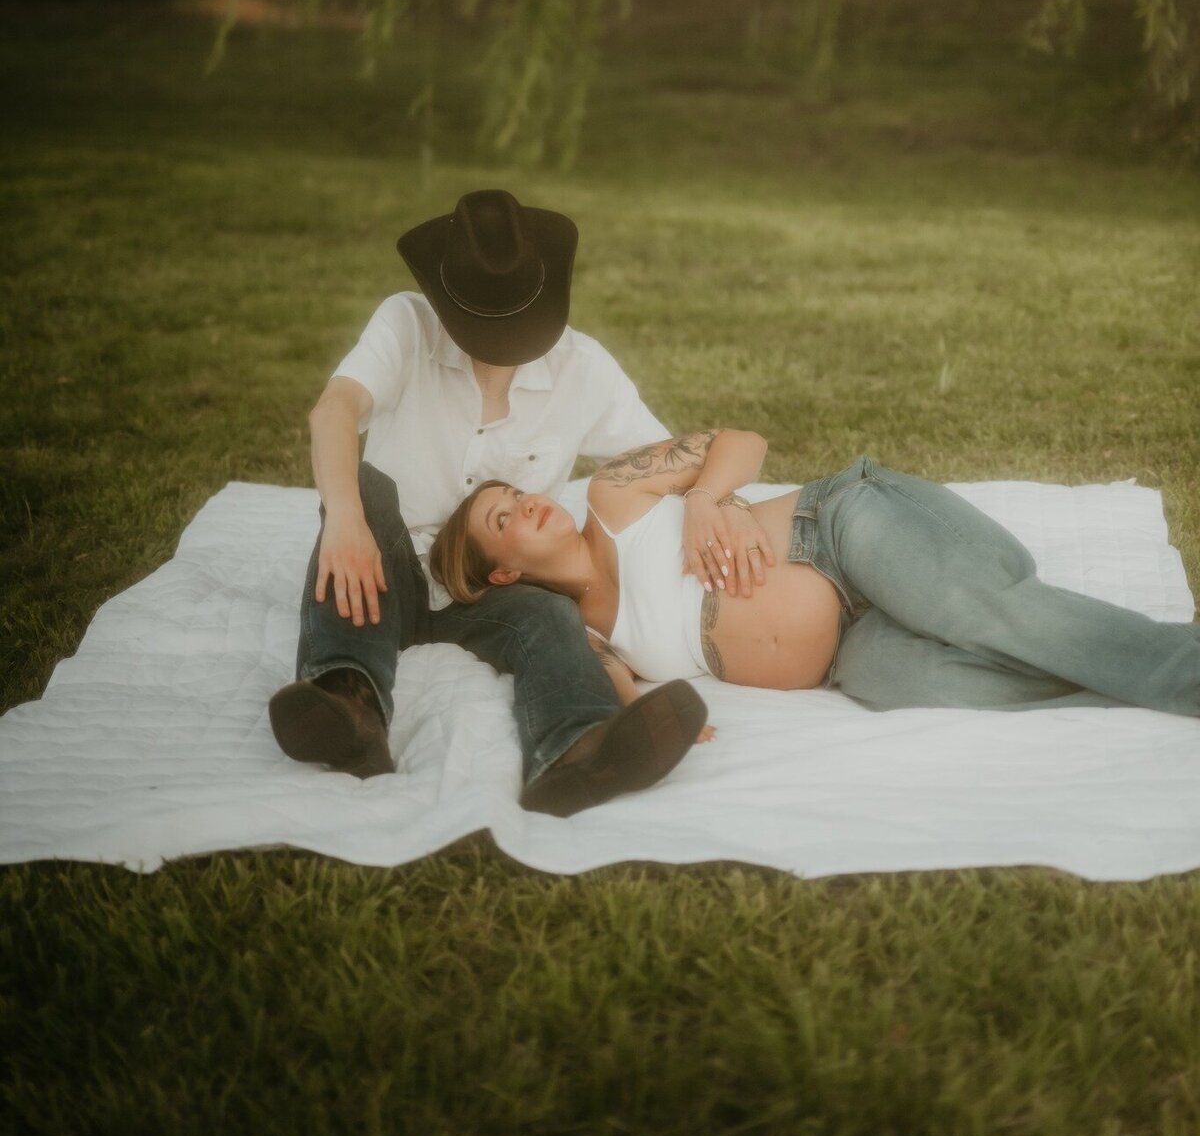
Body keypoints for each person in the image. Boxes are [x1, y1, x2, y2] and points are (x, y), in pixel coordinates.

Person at [268, 190, 707, 815]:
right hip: (384, 556)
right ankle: (349, 705)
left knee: (552, 617)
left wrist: (718, 500)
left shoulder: (583, 368)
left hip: (495, 575)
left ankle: (578, 752)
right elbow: (334, 409)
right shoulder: (405, 323)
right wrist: (342, 518)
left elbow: (666, 455)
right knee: (362, 490)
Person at [430, 430, 1200, 717]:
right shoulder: (585, 628)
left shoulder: (611, 496)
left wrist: (703, 498)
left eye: (517, 494)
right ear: (501, 575)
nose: (527, 504)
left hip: (839, 529)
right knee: (933, 686)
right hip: (845, 659)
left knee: (984, 618)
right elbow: (616, 702)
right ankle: (1087, 655)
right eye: (504, 520)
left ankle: (1180, 671)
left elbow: (743, 439)